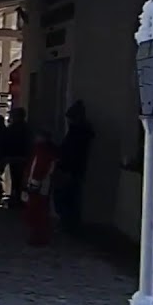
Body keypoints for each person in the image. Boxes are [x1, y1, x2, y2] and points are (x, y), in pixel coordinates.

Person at [54, 100, 94, 233]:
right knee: (71, 198)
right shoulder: (80, 133)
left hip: (70, 170)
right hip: (74, 170)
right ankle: (70, 224)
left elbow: (71, 153)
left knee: (67, 198)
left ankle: (69, 224)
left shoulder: (77, 133)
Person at [23, 130, 57, 246]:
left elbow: (38, 168)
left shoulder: (41, 151)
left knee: (36, 210)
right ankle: (40, 235)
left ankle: (38, 236)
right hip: (42, 184)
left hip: (39, 184)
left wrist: (34, 182)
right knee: (40, 210)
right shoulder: (47, 151)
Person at [0, 107, 32, 209]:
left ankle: (17, 199)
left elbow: (6, 142)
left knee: (17, 179)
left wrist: (5, 156)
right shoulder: (26, 129)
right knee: (20, 179)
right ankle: (18, 198)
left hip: (15, 157)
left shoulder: (13, 129)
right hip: (22, 157)